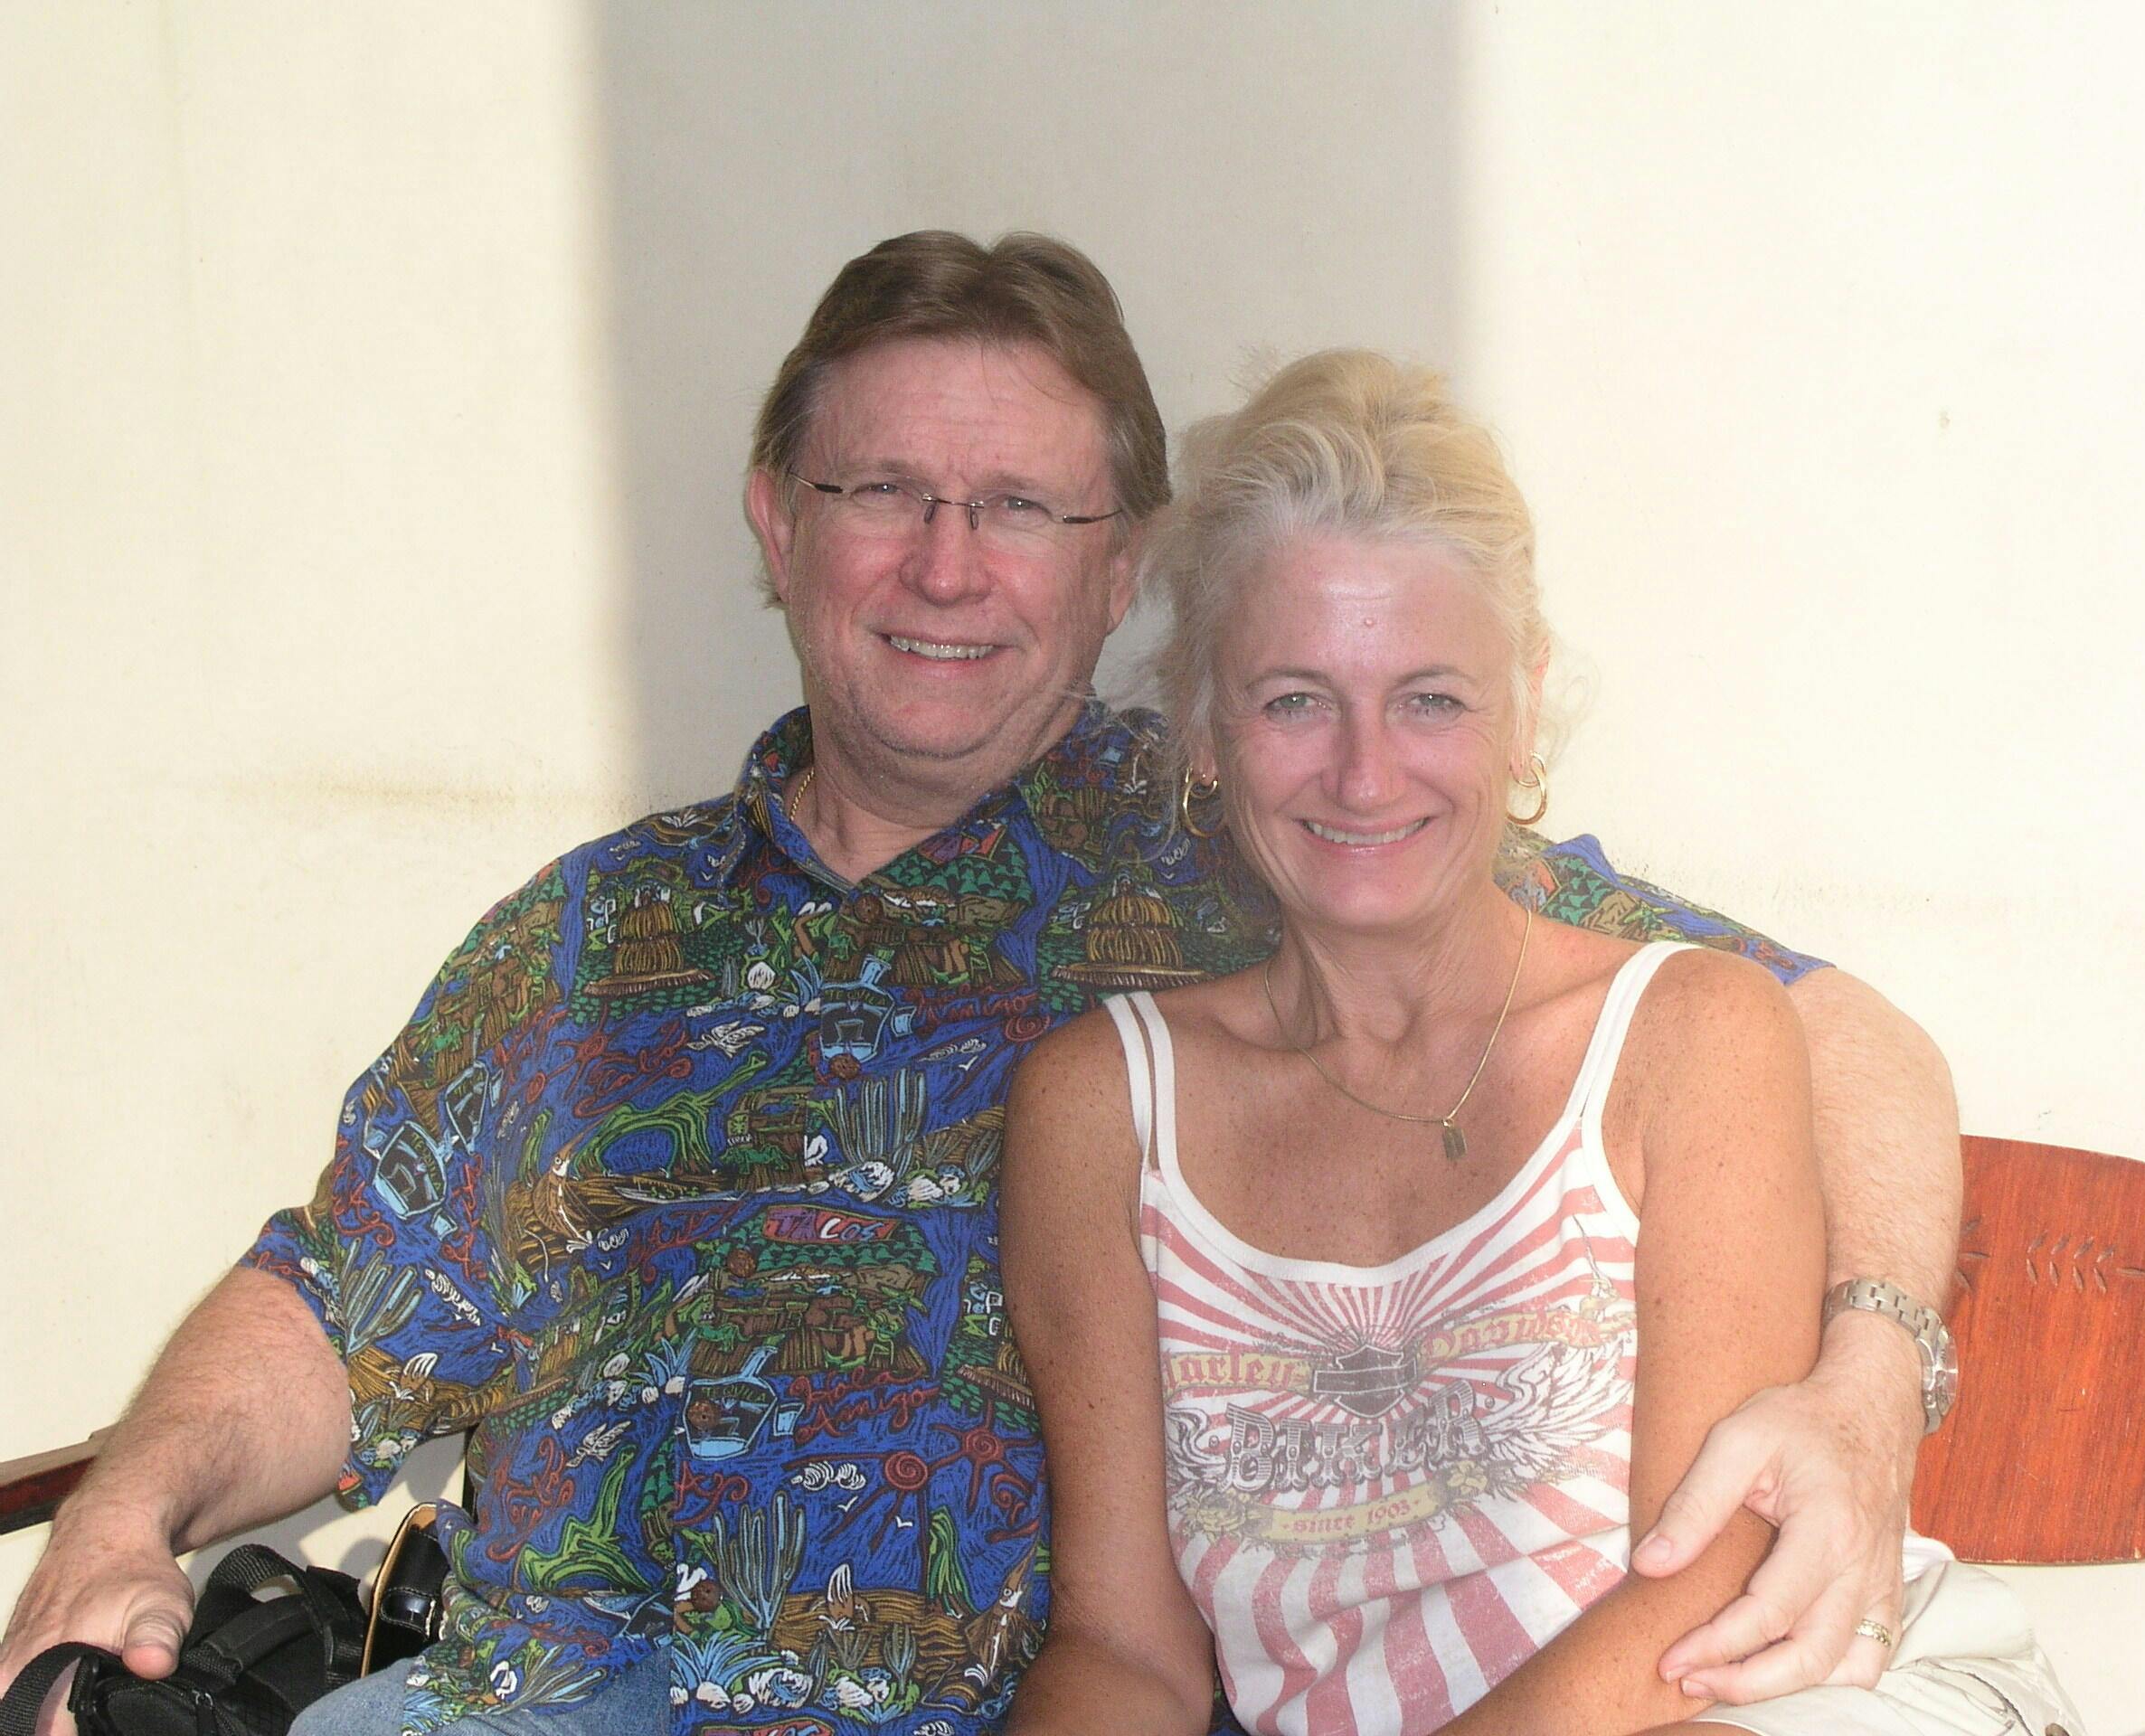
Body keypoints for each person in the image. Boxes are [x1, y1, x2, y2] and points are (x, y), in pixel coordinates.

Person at [1, 235, 1959, 1736]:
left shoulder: (1273, 832)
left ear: (1122, 573)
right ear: (778, 522)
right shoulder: (589, 938)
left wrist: (1869, 1378)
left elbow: (1821, 1042)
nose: (944, 566)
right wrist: (122, 1514)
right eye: (881, 493)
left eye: (1019, 507)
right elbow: (340, 1300)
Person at [1000, 349, 2078, 1736]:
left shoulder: (1688, 1035)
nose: (1365, 772)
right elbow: (1127, 1655)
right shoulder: (1101, 1108)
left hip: (1780, 1696)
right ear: (1205, 727)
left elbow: (1701, 1591)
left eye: (1432, 699)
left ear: (1523, 712)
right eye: (1294, 699)